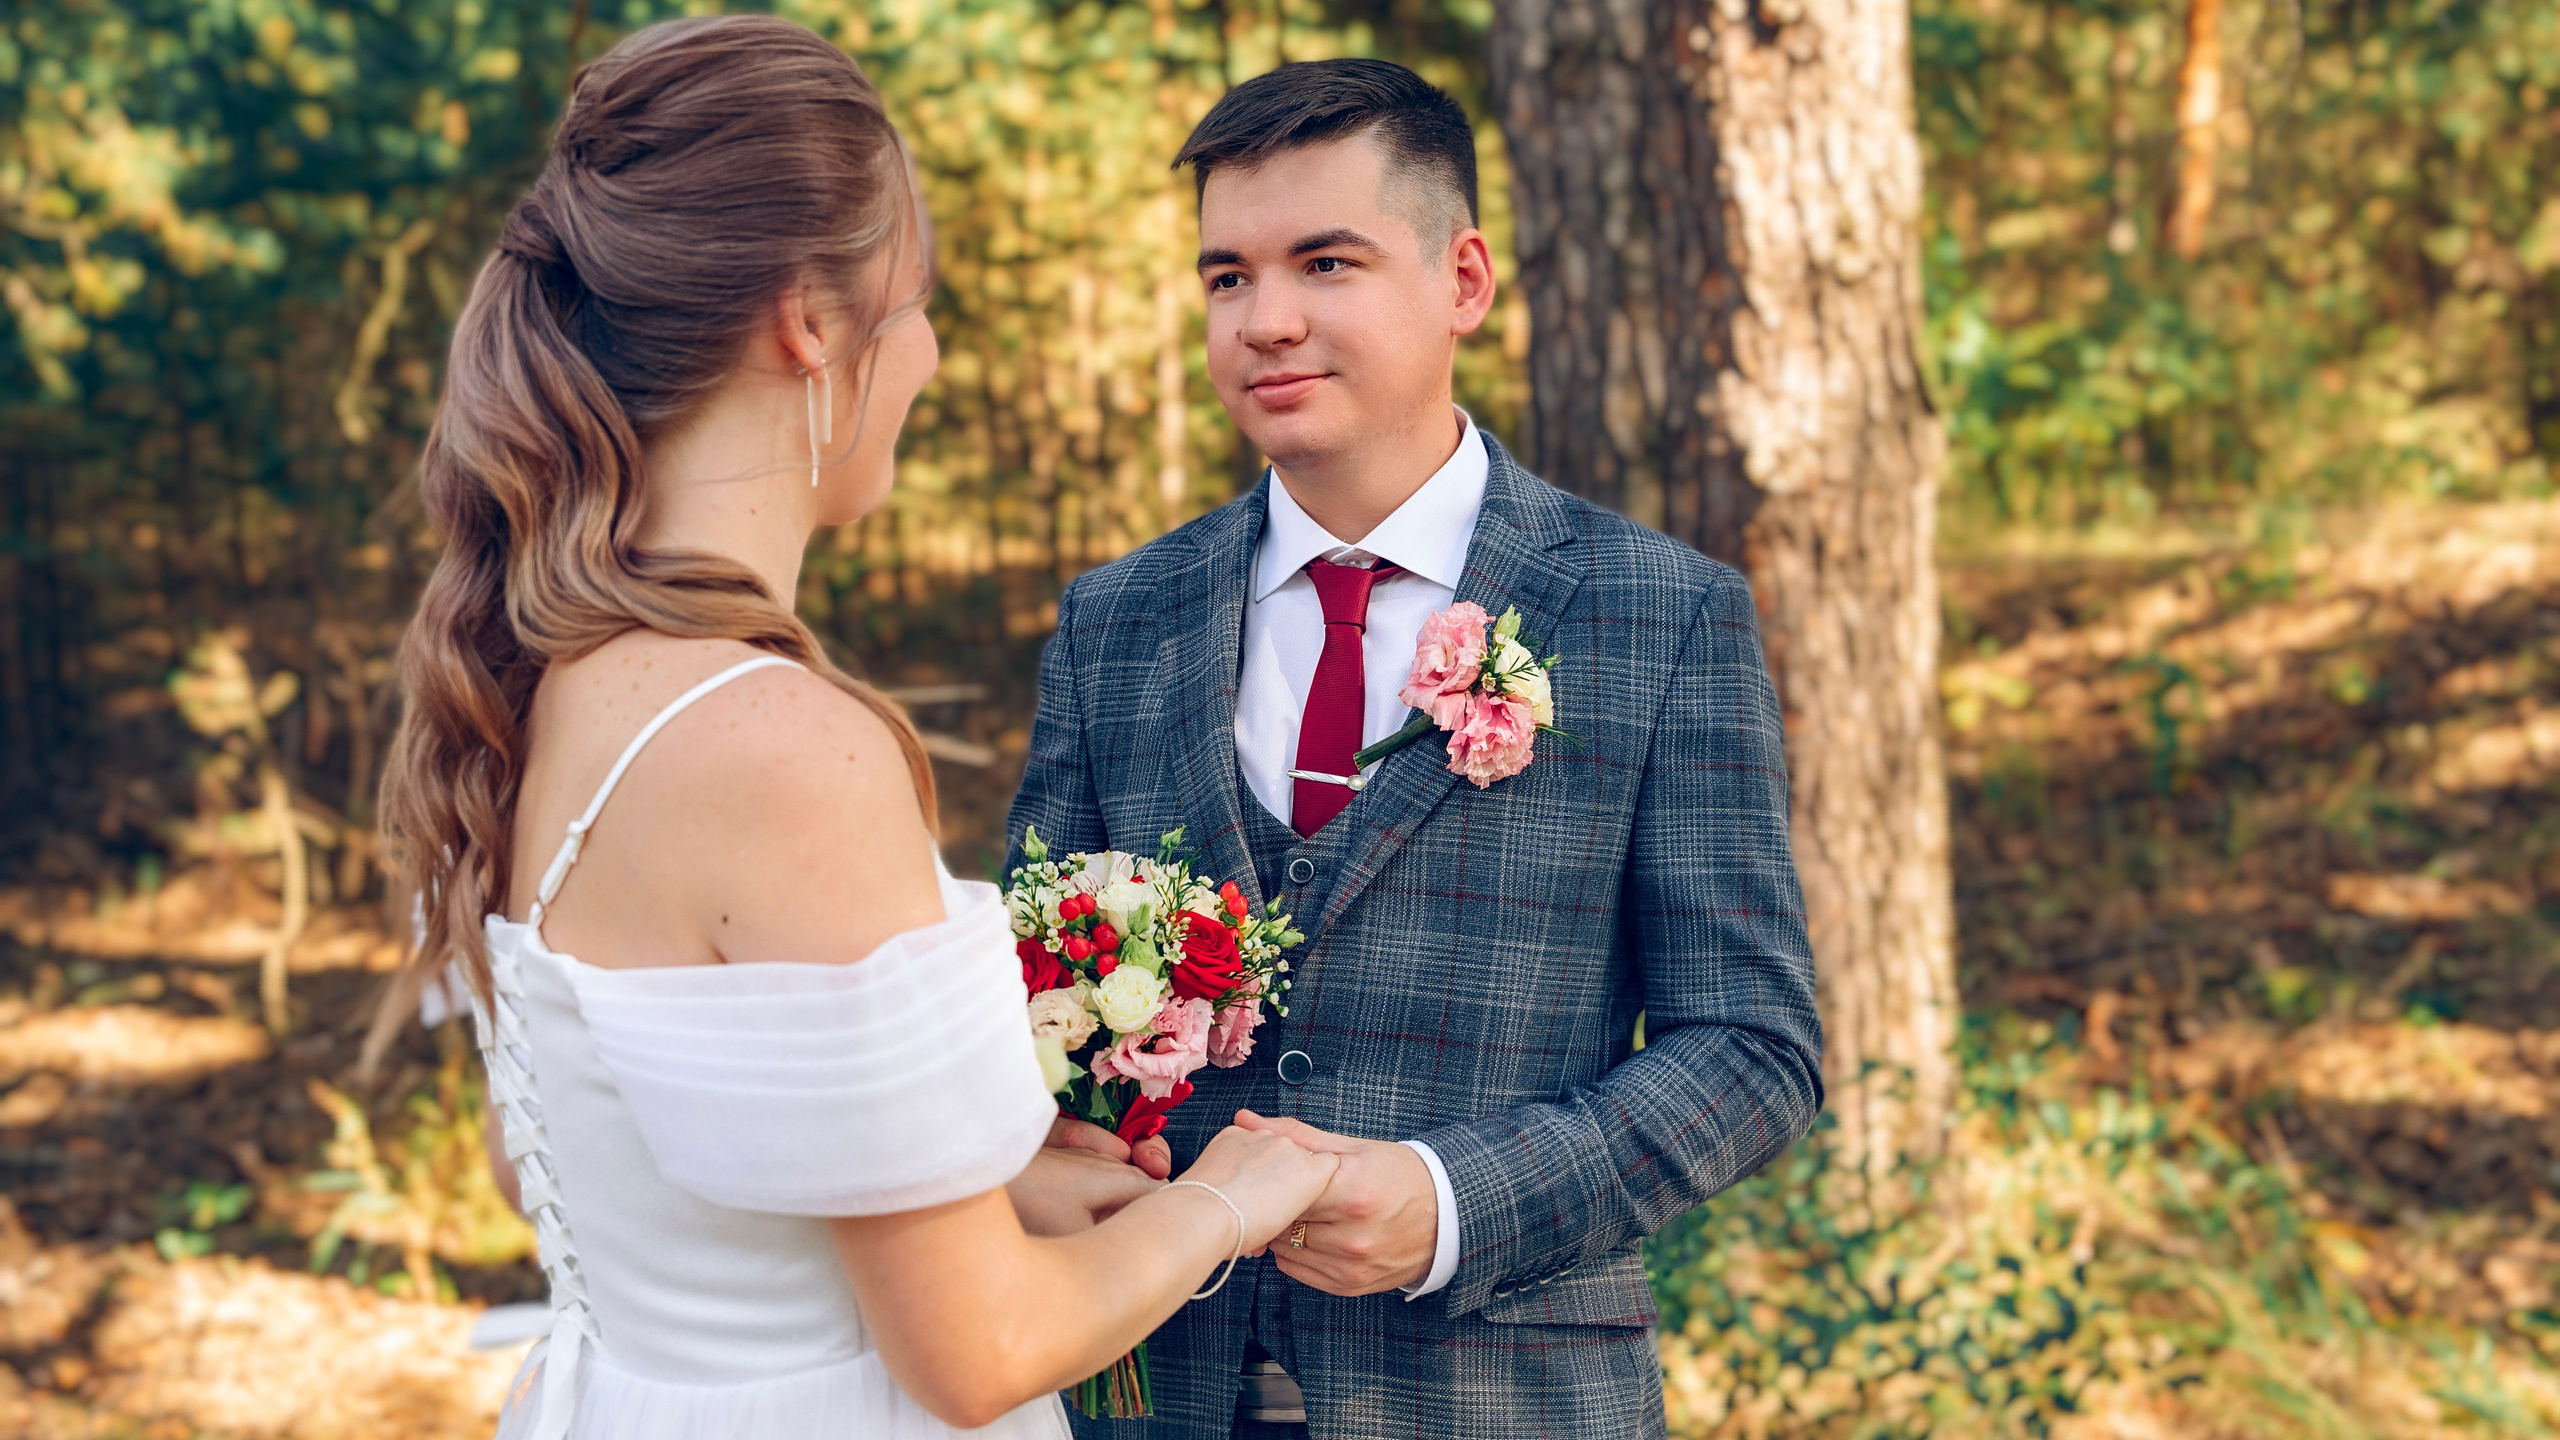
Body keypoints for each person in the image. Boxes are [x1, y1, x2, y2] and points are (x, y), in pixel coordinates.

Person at [377, 17, 1338, 1440]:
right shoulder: (784, 748)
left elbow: (576, 1170)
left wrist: (969, 1187)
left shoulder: (541, 681)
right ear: (812, 324)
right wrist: (1233, 1196)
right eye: (919, 298)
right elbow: (982, 1350)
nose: (931, 351)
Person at [1008, 60, 1826, 1439]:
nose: (1267, 321)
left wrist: (1456, 1205)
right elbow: (1021, 1009)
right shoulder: (1115, 623)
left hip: (1496, 1393)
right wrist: (1033, 1149)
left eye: (1326, 262)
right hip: (1142, 1390)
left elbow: (1750, 1046)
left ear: (1463, 280)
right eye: (1225, 277)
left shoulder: (1657, 612)